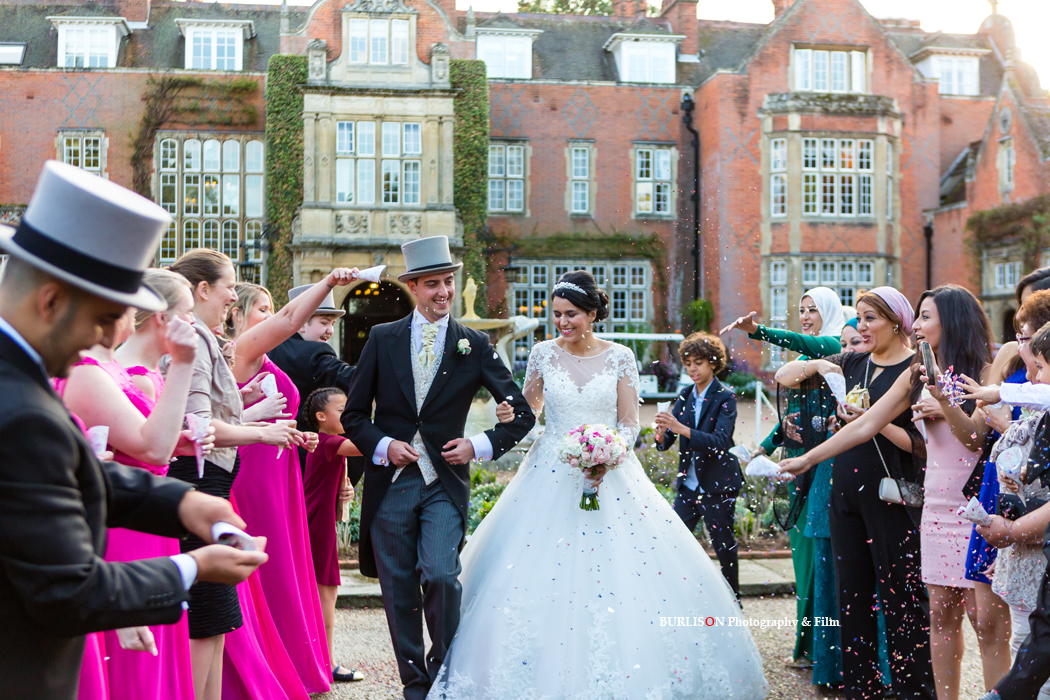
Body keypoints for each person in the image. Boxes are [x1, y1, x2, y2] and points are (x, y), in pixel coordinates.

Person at [426, 270, 768, 699]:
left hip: (613, 476)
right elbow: (528, 413)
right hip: (549, 472)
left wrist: (608, 455)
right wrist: (508, 416)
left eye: (571, 314)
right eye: (556, 315)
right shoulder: (543, 354)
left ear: (592, 313)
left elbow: (628, 425)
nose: (562, 323)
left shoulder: (620, 356)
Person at [0, 161, 267, 700]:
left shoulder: (21, 381)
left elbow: (61, 473)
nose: (108, 338)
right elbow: (67, 589)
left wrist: (181, 505)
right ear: (50, 301)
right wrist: (191, 567)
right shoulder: (21, 409)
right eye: (103, 319)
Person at [781, 285, 999, 700]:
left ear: (951, 321)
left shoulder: (987, 374)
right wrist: (808, 459)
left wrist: (946, 403)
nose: (916, 325)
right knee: (936, 616)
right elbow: (863, 425)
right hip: (932, 506)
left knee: (983, 622)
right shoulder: (916, 370)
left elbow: (973, 440)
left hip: (970, 506)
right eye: (916, 316)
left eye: (925, 317)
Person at [342, 236, 536, 700]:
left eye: (449, 282)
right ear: (413, 286)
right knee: (398, 589)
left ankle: (446, 671)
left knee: (441, 576)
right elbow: (353, 415)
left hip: (443, 485)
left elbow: (522, 413)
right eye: (433, 284)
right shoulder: (383, 339)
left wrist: (480, 444)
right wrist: (385, 445)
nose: (444, 292)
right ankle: (415, 684)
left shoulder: (474, 343)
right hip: (392, 485)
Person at [776, 287, 934, 699]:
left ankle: (911, 690)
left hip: (891, 496)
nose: (861, 327)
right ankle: (860, 689)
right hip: (845, 491)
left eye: (871, 319)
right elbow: (783, 376)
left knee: (901, 600)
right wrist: (817, 367)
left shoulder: (916, 369)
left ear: (897, 321)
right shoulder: (852, 362)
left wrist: (871, 419)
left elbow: (920, 446)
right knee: (852, 597)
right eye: (859, 318)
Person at [58, 270, 208, 700]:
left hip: (142, 512)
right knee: (133, 669)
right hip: (123, 525)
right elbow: (151, 449)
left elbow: (147, 443)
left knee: (152, 651)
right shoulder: (87, 372)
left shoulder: (104, 368)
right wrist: (182, 364)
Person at [167, 249, 303, 700]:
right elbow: (198, 426)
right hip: (199, 481)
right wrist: (260, 433)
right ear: (203, 289)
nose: (233, 295)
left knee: (219, 617)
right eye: (228, 286)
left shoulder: (204, 338)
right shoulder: (194, 340)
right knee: (207, 618)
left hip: (212, 483)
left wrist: (253, 413)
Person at [224, 274, 359, 692]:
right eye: (260, 309)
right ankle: (266, 667)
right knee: (271, 569)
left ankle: (290, 660)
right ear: (238, 316)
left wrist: (298, 435)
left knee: (287, 566)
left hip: (280, 471)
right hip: (253, 476)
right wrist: (330, 282)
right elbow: (288, 320)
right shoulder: (240, 351)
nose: (270, 317)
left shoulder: (265, 359)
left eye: (269, 308)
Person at [722, 287, 844, 674]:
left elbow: (800, 341)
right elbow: (789, 418)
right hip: (796, 471)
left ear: (829, 312)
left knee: (817, 564)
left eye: (813, 310)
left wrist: (758, 331)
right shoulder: (809, 361)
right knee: (802, 562)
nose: (805, 315)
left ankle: (824, 648)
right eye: (801, 309)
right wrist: (761, 448)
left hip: (823, 471)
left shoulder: (834, 346)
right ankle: (807, 646)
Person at [654, 332, 742, 597]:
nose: (692, 368)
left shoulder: (726, 397)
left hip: (718, 484)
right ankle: (678, 594)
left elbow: (720, 441)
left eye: (699, 363)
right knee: (673, 541)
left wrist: (680, 428)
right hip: (689, 485)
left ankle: (733, 598)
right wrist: (661, 435)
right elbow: (667, 440)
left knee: (724, 546)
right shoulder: (684, 395)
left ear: (713, 364)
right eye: (688, 362)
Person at [267, 284, 359, 477]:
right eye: (325, 322)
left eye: (332, 324)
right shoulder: (315, 353)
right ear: (301, 323)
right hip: (307, 457)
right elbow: (348, 378)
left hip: (267, 450)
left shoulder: (269, 346)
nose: (330, 330)